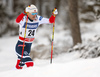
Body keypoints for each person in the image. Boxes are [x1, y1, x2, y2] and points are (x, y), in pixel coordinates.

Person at [15, 4, 58, 69]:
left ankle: (14, 73)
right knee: (29, 62)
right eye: (32, 13)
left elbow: (50, 21)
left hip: (28, 46)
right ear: (28, 13)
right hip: (21, 45)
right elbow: (17, 20)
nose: (34, 15)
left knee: (20, 64)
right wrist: (23, 13)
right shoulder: (24, 19)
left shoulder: (38, 18)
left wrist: (53, 15)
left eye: (35, 13)